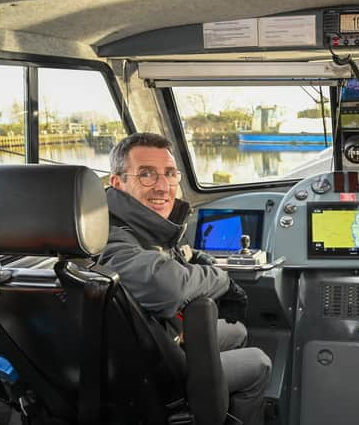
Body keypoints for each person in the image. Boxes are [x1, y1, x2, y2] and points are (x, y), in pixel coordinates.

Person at [98, 132, 271, 425]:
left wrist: (195, 259)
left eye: (169, 174)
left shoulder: (140, 224)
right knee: (260, 363)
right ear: (118, 182)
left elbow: (162, 257)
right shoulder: (109, 235)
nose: (163, 187)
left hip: (153, 341)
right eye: (147, 175)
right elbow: (166, 285)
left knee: (238, 330)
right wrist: (222, 280)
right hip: (147, 371)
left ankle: (217, 404)